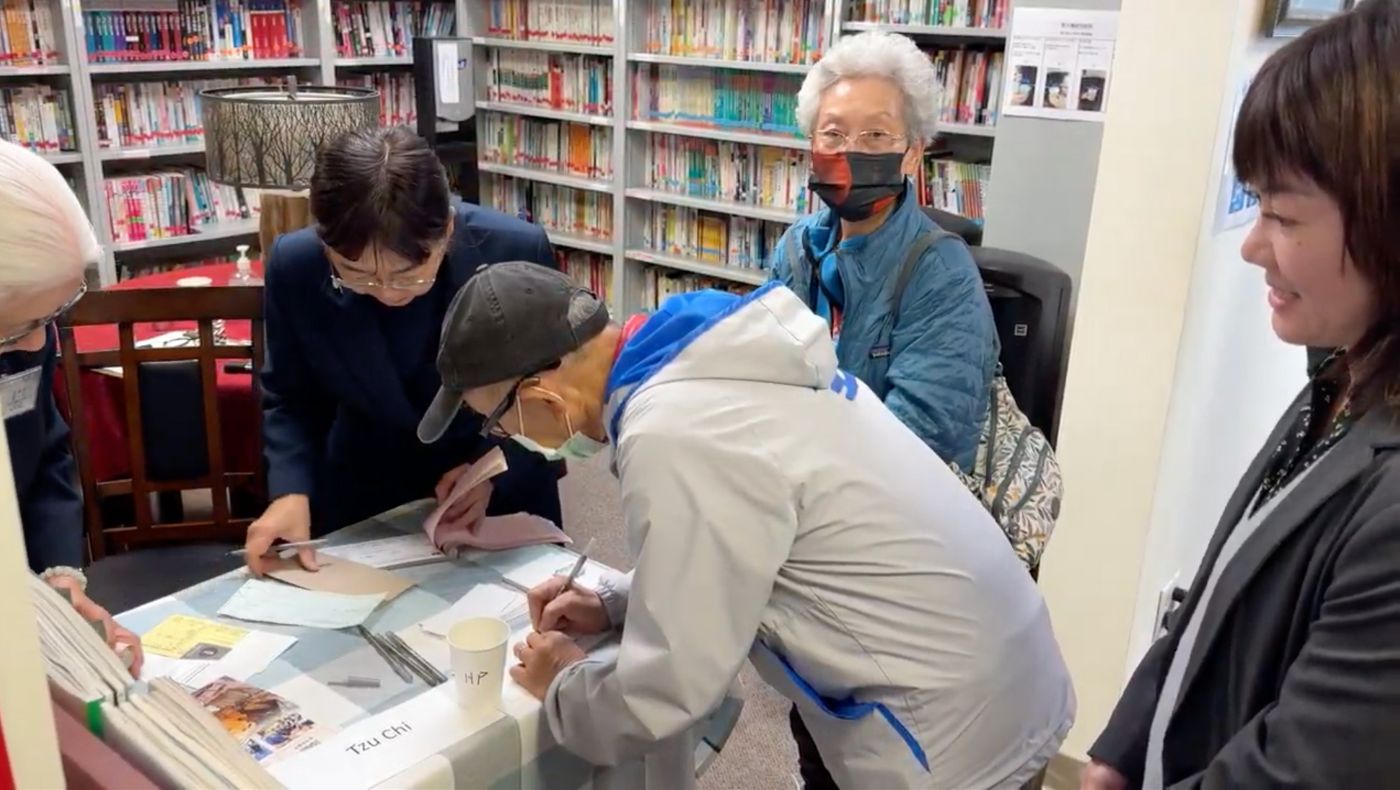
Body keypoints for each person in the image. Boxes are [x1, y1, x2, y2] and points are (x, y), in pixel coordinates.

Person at [415, 263, 1075, 789]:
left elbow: (670, 688)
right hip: (999, 665)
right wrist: (618, 600)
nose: (509, 439)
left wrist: (563, 686)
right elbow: (747, 533)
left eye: (499, 422)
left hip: (955, 731)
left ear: (540, 397)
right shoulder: (707, 353)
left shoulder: (672, 432)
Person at [1084, 3, 1400, 787]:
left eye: (1283, 215)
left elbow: (1304, 769)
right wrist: (1120, 749)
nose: (1254, 247)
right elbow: (1223, 587)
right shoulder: (1341, 376)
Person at [243, 127, 563, 574]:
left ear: (447, 229)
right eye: (356, 274)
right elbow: (291, 397)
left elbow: (556, 389)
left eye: (409, 274)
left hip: (496, 494)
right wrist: (291, 491)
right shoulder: (295, 266)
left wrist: (497, 465)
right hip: (364, 492)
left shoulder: (515, 251)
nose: (388, 292)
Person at [769, 30, 999, 474]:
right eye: (833, 134)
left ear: (913, 154)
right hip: (792, 478)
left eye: (876, 134)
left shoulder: (944, 277)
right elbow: (760, 371)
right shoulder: (798, 247)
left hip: (879, 507)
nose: (851, 151)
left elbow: (921, 451)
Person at [0, 139, 143, 675]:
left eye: (53, 316)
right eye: (16, 331)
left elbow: (41, 454)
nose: (37, 347)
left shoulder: (26, 324)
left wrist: (59, 577)